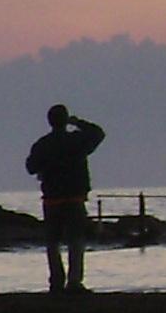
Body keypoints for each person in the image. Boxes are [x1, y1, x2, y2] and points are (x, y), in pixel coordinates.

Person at [23, 104, 106, 293]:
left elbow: (30, 167)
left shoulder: (42, 144)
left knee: (53, 243)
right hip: (75, 198)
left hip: (52, 199)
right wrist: (77, 122)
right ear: (65, 119)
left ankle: (56, 283)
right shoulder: (77, 140)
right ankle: (74, 282)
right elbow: (98, 133)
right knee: (76, 241)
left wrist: (47, 166)